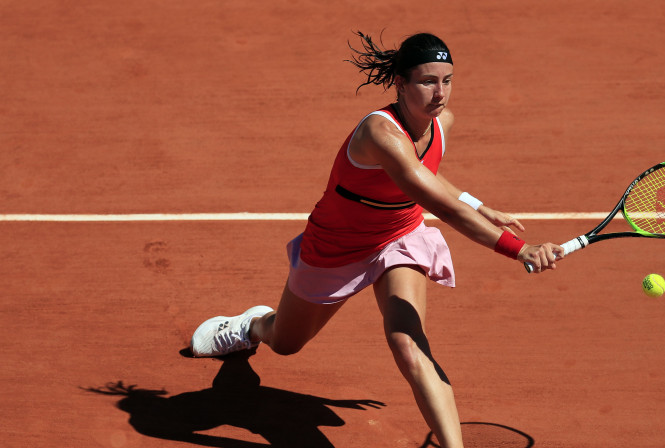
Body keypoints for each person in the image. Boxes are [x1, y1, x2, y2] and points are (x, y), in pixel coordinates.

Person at [190, 31, 563, 447]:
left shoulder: (443, 123)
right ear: (400, 84)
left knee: (408, 343)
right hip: (335, 246)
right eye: (427, 81)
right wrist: (520, 249)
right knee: (285, 343)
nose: (440, 93)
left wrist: (477, 202)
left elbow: (427, 173)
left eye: (448, 80)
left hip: (398, 238)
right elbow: (433, 197)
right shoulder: (379, 134)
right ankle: (251, 325)